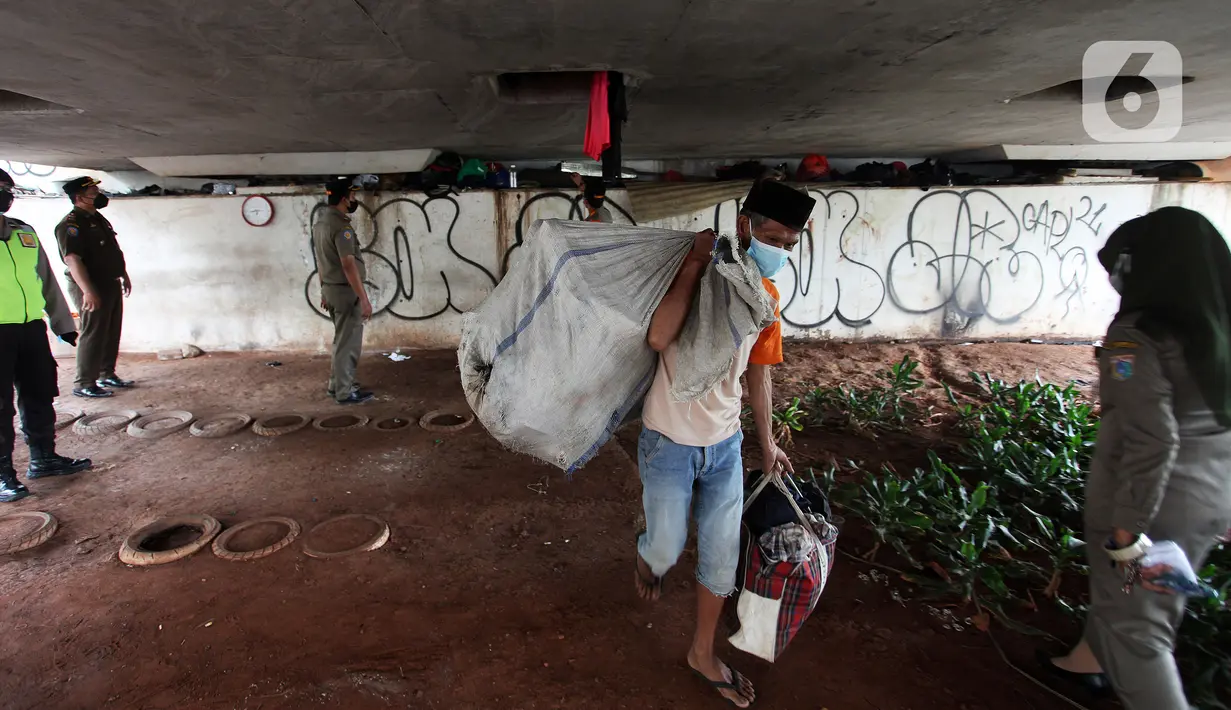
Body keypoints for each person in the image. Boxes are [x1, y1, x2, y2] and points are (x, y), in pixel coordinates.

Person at [634, 179, 815, 708]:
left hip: (725, 448)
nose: (779, 250)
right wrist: (692, 264)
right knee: (666, 548)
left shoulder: (767, 298)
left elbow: (759, 374)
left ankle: (701, 652)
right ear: (744, 227)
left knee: (720, 559)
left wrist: (764, 442)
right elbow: (658, 338)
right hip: (668, 440)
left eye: (789, 242)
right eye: (771, 236)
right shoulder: (699, 277)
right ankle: (648, 556)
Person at [1041, 206, 1231, 710]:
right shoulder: (1218, 333)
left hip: (1156, 499)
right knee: (1129, 602)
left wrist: (1126, 531)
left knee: (1139, 632)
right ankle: (1087, 662)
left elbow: (1151, 439)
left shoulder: (1134, 336)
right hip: (1215, 490)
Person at [0, 168, 92, 502]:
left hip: (29, 328)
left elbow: (46, 279)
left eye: (8, 189)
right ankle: (2, 475)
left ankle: (43, 458)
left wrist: (61, 323)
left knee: (39, 394)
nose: (6, 195)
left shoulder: (24, 232)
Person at [53, 176, 133, 399]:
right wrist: (88, 290)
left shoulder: (98, 219)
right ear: (79, 197)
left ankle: (106, 373)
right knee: (93, 333)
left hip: (109, 281)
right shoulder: (71, 224)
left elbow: (111, 250)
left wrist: (122, 274)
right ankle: (84, 382)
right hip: (90, 284)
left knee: (110, 329)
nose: (98, 196)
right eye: (93, 193)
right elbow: (72, 260)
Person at [313, 177, 374, 405]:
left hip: (331, 289)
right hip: (346, 293)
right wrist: (363, 298)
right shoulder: (341, 227)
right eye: (352, 195)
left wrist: (323, 290)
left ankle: (336, 386)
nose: (354, 199)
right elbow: (347, 264)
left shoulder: (320, 224)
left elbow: (321, 262)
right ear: (344, 197)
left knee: (341, 340)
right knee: (348, 344)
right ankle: (345, 392)